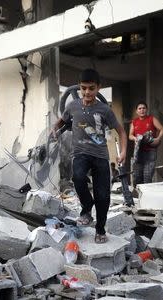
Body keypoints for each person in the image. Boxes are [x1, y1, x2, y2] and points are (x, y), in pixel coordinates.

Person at [53, 69, 127, 244]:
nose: (87, 92)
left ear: (98, 88)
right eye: (83, 88)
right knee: (78, 177)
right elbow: (62, 121)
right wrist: (54, 128)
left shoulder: (104, 110)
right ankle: (87, 208)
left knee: (103, 196)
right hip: (80, 153)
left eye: (91, 88)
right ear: (79, 87)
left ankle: (100, 229)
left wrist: (123, 151)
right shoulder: (72, 106)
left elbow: (121, 132)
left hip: (101, 156)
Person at [129, 101, 163, 186]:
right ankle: (139, 197)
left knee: (147, 177)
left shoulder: (152, 119)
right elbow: (130, 135)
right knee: (137, 177)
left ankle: (147, 197)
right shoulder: (134, 122)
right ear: (136, 111)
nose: (142, 110)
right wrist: (135, 138)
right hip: (138, 152)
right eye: (140, 108)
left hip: (150, 151)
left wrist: (158, 138)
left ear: (147, 109)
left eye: (144, 108)